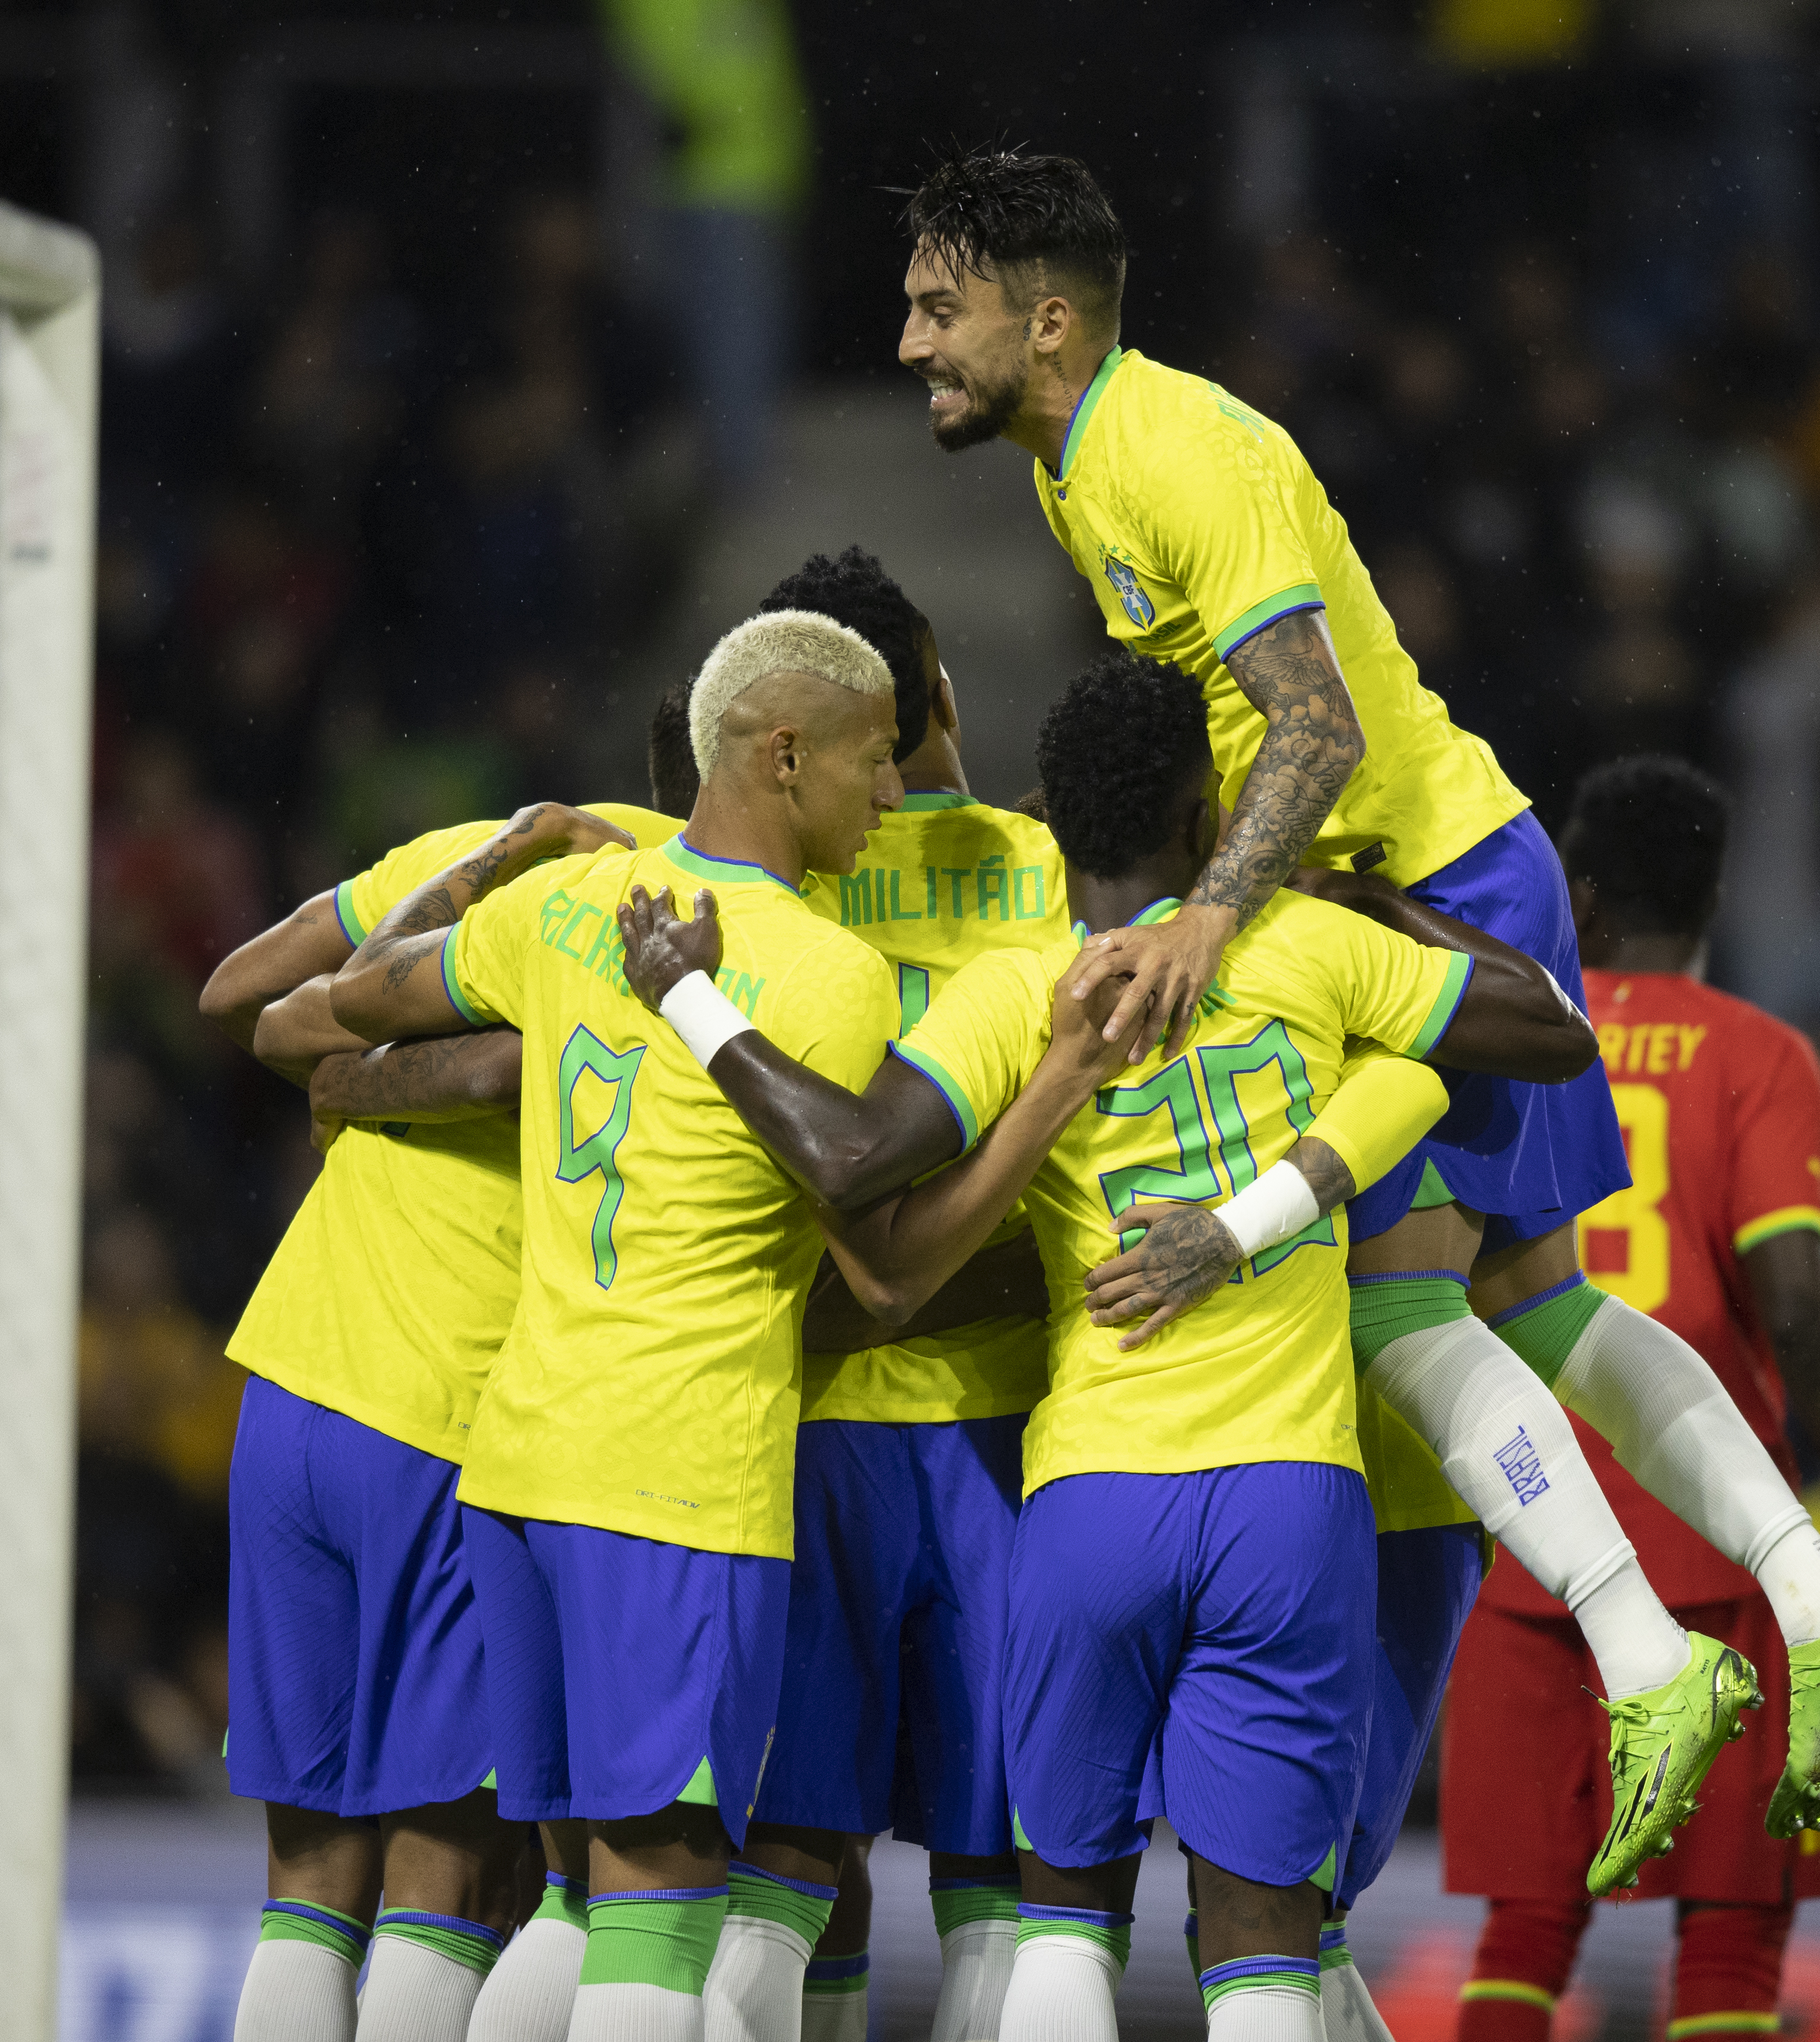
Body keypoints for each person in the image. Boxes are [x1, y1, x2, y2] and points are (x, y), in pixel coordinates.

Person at [895, 145, 1820, 1886]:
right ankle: (1815, 1595)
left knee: (1397, 1307)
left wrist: (1207, 924)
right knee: (1532, 1294)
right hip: (1429, 871)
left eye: (940, 306)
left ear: (1044, 318)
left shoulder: (1165, 449)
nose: (909, 338)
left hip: (1418, 881)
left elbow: (1314, 729)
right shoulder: (1084, 462)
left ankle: (1647, 1656)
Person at [613, 650, 1598, 2042]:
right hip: (1284, 1499)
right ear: (1212, 823)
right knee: (1261, 1941)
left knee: (1060, 1920)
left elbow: (855, 1165)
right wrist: (1368, 896)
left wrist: (694, 1001)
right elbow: (1549, 1031)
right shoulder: (1307, 949)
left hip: (1087, 1502)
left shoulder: (1021, 998)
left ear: (1054, 833)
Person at [327, 611, 1114, 2042]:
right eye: (877, 761)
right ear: (783, 750)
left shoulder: (573, 908)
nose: (892, 795)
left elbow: (347, 1006)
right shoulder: (823, 975)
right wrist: (1047, 1098)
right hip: (676, 1482)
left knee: (568, 1893)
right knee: (660, 1903)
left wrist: (393, 1080)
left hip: (519, 1471)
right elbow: (879, 1271)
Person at [1444, 758, 1820, 2042]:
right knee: (1726, 1931)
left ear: (1576, 889)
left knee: (1525, 1923)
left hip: (1524, 1536)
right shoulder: (1758, 1056)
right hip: (1708, 1544)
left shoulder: (1500, 1026)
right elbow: (1792, 1300)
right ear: (1715, 892)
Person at [198, 744, 679, 2042]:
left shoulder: (487, 849)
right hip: (446, 1417)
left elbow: (244, 995)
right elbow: (511, 1073)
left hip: (291, 1386)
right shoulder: (684, 914)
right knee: (449, 1878)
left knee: (305, 1881)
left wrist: (361, 1069)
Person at [729, 547, 1064, 2042]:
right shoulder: (1047, 870)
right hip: (1001, 1428)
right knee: (992, 1871)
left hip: (799, 1428)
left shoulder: (768, 890)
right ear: (934, 686)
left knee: (787, 1859)